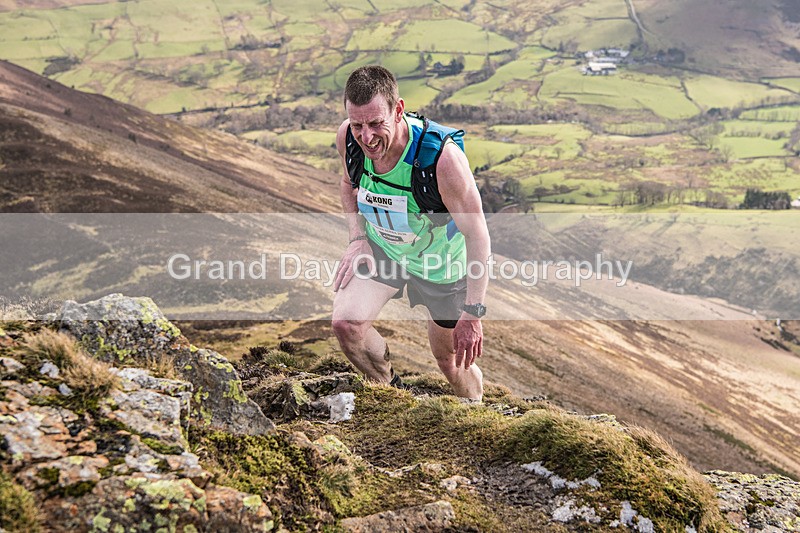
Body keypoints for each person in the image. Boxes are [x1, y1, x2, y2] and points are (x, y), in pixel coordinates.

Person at [331, 65, 490, 401]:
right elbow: (349, 184)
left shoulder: (442, 161)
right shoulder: (349, 137)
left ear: (398, 109)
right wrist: (358, 238)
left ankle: (478, 414)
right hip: (385, 250)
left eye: (376, 124)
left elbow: (478, 235)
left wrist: (473, 312)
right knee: (347, 325)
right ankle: (395, 395)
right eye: (358, 124)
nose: (367, 137)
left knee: (450, 360)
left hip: (441, 266)